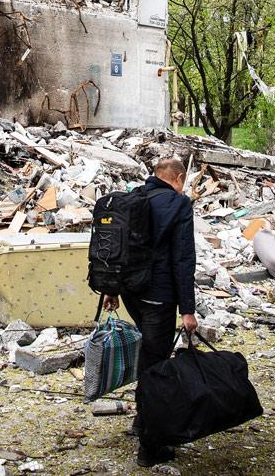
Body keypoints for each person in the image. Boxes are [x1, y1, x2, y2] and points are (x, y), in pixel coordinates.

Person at [102, 157, 198, 467]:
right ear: (178, 177)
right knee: (155, 365)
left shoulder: (133, 199)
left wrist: (112, 290)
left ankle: (141, 422)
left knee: (150, 355)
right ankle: (151, 447)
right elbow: (183, 259)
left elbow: (116, 249)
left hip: (132, 292)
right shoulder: (179, 205)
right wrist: (188, 310)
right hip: (159, 295)